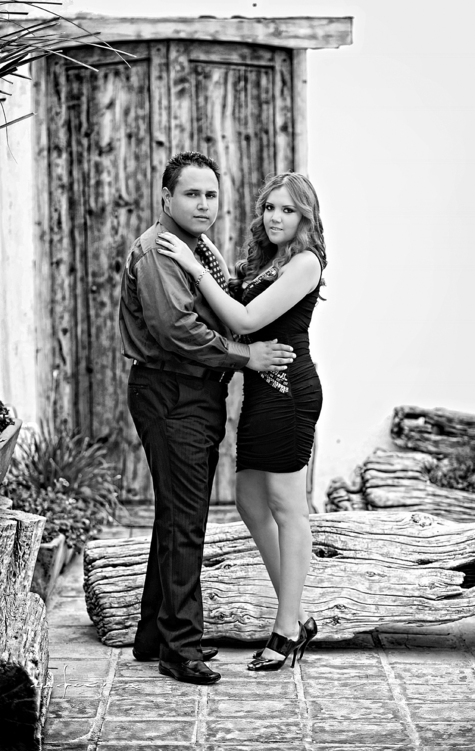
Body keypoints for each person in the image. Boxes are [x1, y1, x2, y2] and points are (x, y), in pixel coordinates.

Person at [119, 152, 296, 686]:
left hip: (194, 394)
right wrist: (247, 356)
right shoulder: (159, 252)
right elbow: (177, 330)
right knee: (185, 522)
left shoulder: (195, 249)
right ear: (166, 197)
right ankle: (181, 648)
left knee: (176, 515)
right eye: (191, 194)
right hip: (172, 392)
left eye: (211, 195)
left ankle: (153, 637)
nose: (203, 204)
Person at [157, 171, 326, 672]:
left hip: (290, 393)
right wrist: (206, 250)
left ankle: (287, 626)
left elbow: (245, 321)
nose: (275, 217)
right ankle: (298, 613)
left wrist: (193, 265)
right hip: (260, 393)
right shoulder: (268, 260)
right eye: (270, 207)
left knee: (289, 508)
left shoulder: (305, 263)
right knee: (250, 501)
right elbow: (235, 293)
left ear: (305, 217)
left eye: (288, 210)